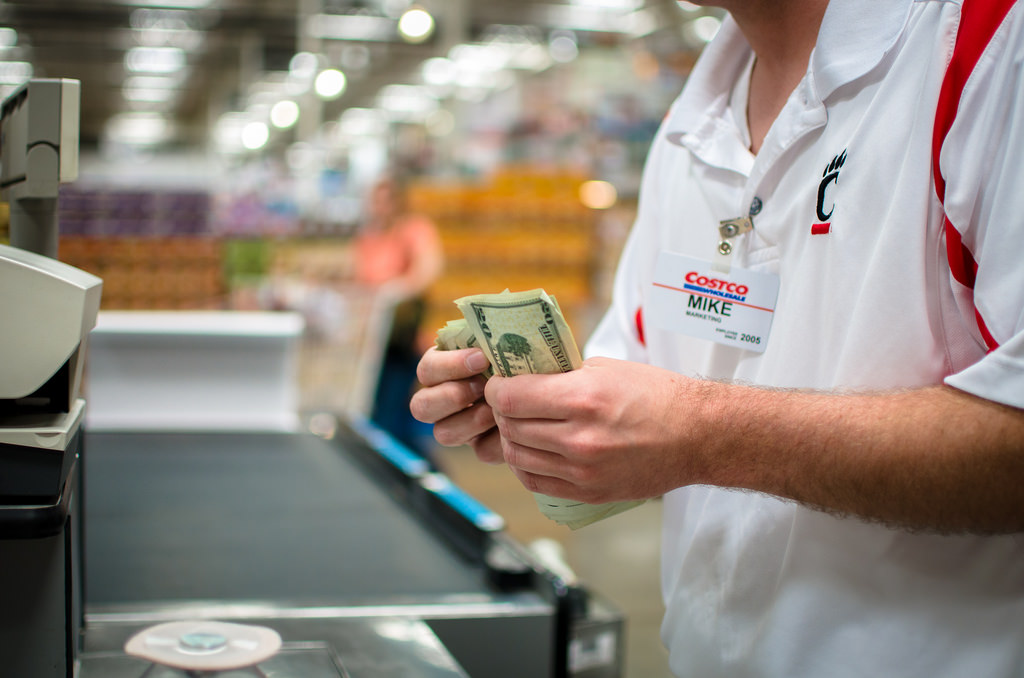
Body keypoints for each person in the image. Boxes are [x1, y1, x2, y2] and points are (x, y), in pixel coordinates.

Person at [411, 0, 1024, 676]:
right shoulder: (689, 126)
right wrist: (540, 419)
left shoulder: (987, 43)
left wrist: (703, 433)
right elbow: (645, 396)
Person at [354, 173, 443, 459]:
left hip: (402, 337)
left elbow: (427, 270)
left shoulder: (413, 230)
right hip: (374, 337)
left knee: (395, 408)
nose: (379, 206)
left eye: (385, 200)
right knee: (385, 407)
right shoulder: (370, 235)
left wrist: (395, 290)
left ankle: (416, 471)